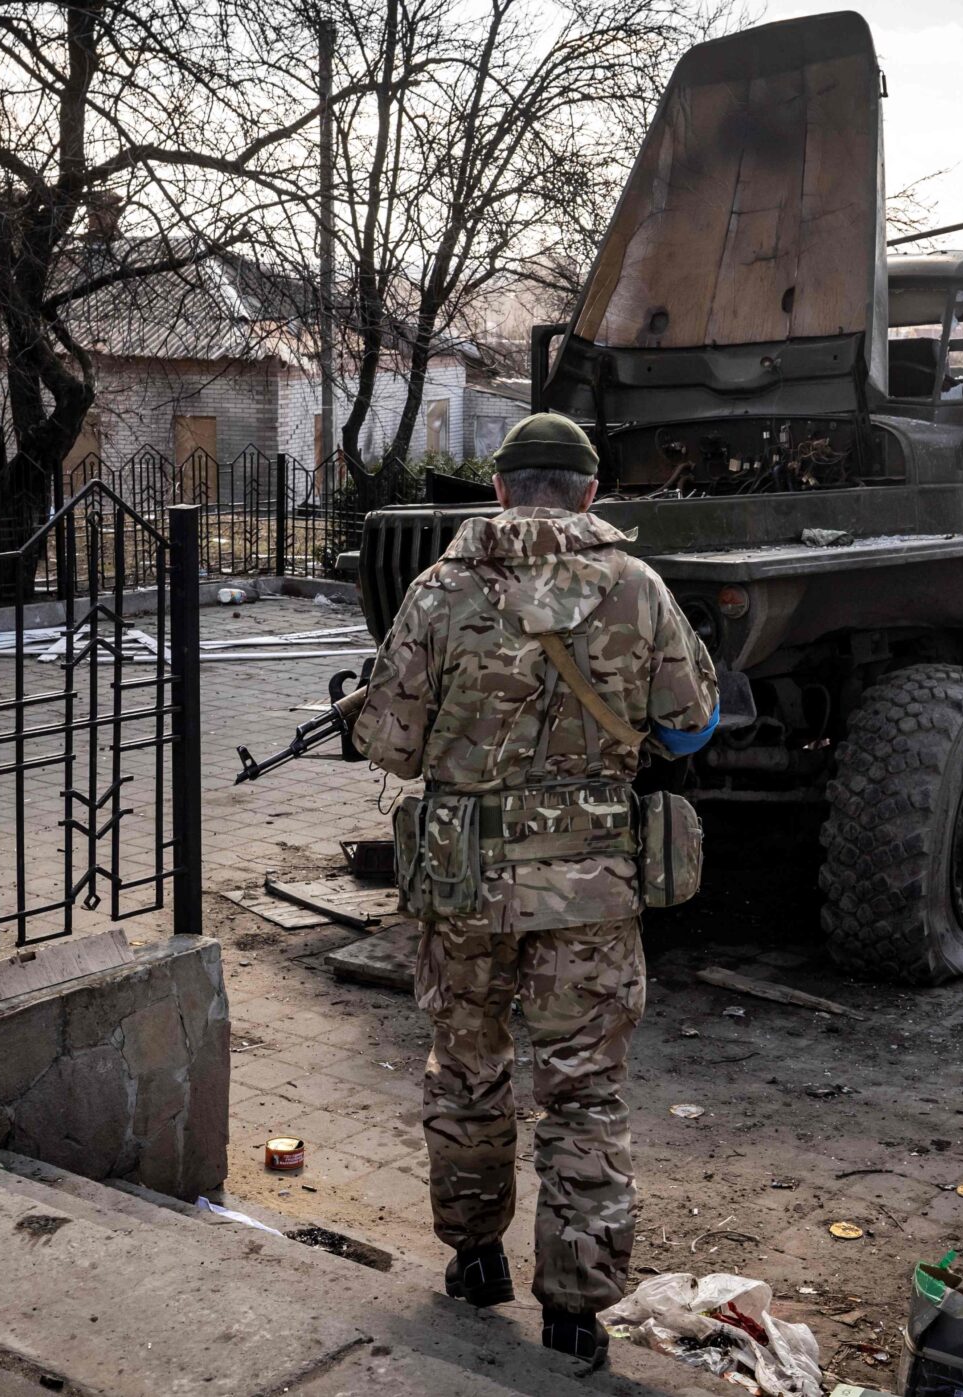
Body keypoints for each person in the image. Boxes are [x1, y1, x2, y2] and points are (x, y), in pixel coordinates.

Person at [352, 411, 719, 1368]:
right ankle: (574, 1313)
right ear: (592, 494)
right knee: (585, 1092)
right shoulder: (638, 588)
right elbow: (689, 727)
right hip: (589, 888)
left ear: (502, 490)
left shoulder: (439, 591)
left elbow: (388, 743)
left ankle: (475, 1261)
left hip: (463, 879)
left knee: (467, 1067)